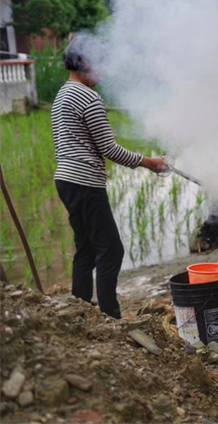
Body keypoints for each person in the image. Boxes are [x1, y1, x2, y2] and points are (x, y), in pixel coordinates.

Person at [51, 37, 166, 319]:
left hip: (65, 180)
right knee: (111, 250)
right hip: (85, 182)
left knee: (87, 248)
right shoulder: (89, 98)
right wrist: (149, 162)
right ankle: (110, 316)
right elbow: (109, 149)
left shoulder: (62, 95)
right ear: (86, 63)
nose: (103, 73)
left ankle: (79, 309)